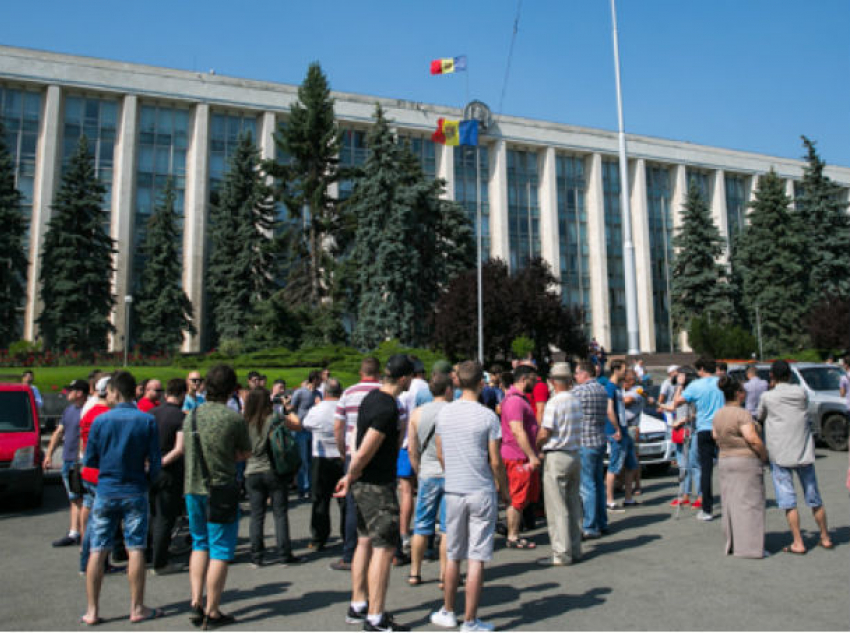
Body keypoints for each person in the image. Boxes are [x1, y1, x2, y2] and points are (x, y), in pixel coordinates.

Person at [334, 354, 414, 632]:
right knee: (384, 548)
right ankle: (376, 617)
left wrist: (351, 474)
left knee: (364, 540)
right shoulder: (387, 407)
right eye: (411, 378)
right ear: (403, 379)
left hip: (363, 482)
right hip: (377, 485)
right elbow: (367, 445)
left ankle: (358, 604)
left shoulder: (371, 398)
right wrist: (351, 474)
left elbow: (355, 436)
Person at [429, 360, 507, 632]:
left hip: (454, 488)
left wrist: (452, 471)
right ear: (481, 383)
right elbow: (495, 460)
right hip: (481, 488)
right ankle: (470, 620)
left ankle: (448, 610)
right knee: (476, 557)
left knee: (453, 555)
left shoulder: (445, 414)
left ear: (457, 382)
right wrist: (504, 489)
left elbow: (440, 452)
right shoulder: (488, 417)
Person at [81, 371, 163, 625]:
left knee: (98, 548)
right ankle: (137, 607)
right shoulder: (146, 420)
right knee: (136, 547)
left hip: (106, 489)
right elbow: (156, 462)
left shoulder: (101, 421)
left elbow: (90, 459)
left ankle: (92, 610)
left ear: (115, 392)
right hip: (135, 488)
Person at [183, 364, 252, 628]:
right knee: (220, 550)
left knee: (199, 543)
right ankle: (212, 609)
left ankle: (195, 601)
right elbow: (245, 452)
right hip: (221, 488)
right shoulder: (232, 418)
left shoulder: (192, 416)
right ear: (231, 389)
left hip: (193, 487)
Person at [758, 360, 833, 554]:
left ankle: (798, 542)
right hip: (803, 450)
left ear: (772, 376)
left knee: (787, 499)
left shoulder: (767, 396)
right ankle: (825, 536)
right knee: (814, 496)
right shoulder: (801, 393)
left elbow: (760, 416)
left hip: (780, 451)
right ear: (790, 375)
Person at [331, 357, 383, 572]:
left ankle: (350, 553)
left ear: (361, 373)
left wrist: (343, 451)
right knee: (383, 503)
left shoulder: (348, 393)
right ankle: (388, 551)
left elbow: (338, 426)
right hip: (379, 453)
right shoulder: (384, 392)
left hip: (354, 451)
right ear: (378, 373)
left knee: (353, 505)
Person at [243, 387, 303, 567]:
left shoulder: (244, 421)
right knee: (280, 512)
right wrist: (288, 408)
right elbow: (297, 425)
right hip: (273, 469)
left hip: (252, 469)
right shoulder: (275, 418)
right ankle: (285, 553)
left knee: (256, 514)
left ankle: (257, 555)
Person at [713, 375, 769, 559]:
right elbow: (751, 437)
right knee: (750, 504)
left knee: (730, 503)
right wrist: (764, 454)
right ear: (738, 394)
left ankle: (732, 543)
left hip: (725, 459)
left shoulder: (719, 413)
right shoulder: (742, 414)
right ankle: (750, 548)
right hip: (744, 459)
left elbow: (715, 435)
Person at [535, 362, 583, 566]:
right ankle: (575, 547)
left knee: (557, 506)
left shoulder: (554, 402)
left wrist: (537, 444)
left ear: (553, 381)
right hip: (574, 452)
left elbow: (546, 431)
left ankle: (561, 553)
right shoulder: (576, 399)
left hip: (557, 454)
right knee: (573, 503)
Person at [407, 372, 452, 586]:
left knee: (421, 525)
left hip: (427, 472)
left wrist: (418, 471)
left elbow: (412, 449)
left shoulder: (417, 414)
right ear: (448, 389)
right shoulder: (453, 411)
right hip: (450, 473)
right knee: (446, 529)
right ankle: (445, 574)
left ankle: (415, 572)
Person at [675, 357, 723, 521]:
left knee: (706, 469)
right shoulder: (721, 382)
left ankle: (707, 509)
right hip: (723, 427)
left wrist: (680, 385)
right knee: (728, 466)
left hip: (704, 429)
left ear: (702, 369)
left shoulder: (696, 386)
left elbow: (677, 402)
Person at [499, 364, 540, 549]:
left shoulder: (516, 399)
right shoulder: (515, 401)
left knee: (519, 498)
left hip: (517, 455)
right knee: (517, 498)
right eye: (533, 379)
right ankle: (513, 536)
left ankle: (514, 533)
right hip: (517, 456)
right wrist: (531, 455)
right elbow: (517, 430)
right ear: (523, 379)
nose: (536, 382)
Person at [148, 378, 187, 575]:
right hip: (170, 472)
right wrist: (163, 461)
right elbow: (179, 449)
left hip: (149, 471)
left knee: (152, 514)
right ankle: (161, 562)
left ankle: (149, 554)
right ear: (182, 395)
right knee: (165, 517)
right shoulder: (180, 417)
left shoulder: (151, 414)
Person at [44, 378, 89, 547]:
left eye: (70, 390)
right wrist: (49, 454)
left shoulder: (87, 410)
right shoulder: (69, 410)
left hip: (80, 461)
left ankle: (83, 533)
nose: (67, 393)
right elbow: (58, 432)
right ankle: (74, 532)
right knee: (73, 497)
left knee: (83, 499)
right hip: (67, 460)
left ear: (79, 393)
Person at [302, 378, 346, 551]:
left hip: (321, 456)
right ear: (340, 392)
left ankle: (319, 537)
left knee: (320, 499)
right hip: (342, 456)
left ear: (325, 392)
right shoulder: (344, 409)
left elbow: (306, 424)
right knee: (344, 500)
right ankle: (347, 535)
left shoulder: (317, 409)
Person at [78, 376, 115, 576]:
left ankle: (89, 561)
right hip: (103, 473)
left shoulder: (89, 412)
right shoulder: (108, 415)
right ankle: (94, 563)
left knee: (93, 521)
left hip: (89, 471)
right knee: (100, 525)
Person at [396, 357, 429, 563]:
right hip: (424, 443)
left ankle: (404, 533)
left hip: (405, 443)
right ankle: (424, 533)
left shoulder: (403, 390)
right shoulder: (425, 388)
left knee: (405, 491)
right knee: (426, 490)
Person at [572, 361, 608, 539]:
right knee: (597, 483)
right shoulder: (601, 389)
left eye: (577, 373)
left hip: (585, 441)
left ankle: (590, 526)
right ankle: (602, 521)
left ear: (584, 374)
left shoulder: (579, 391)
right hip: (599, 439)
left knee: (587, 486)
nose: (575, 377)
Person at [604, 361, 638, 509]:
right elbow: (609, 410)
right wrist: (616, 428)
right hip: (616, 432)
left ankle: (628, 497)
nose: (625, 374)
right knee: (614, 465)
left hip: (625, 430)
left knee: (631, 464)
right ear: (616, 370)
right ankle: (609, 499)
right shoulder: (610, 387)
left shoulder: (618, 388)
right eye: (623, 371)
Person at [292, 370, 322, 501]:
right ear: (314, 379)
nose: (322, 382)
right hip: (301, 429)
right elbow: (292, 408)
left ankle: (310, 487)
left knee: (311, 460)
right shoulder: (300, 392)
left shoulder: (318, 394)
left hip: (313, 430)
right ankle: (303, 487)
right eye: (320, 379)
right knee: (303, 460)